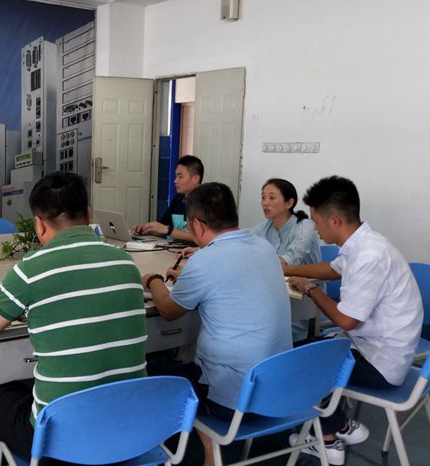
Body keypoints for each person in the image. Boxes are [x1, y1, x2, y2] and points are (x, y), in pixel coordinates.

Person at [0, 171, 147, 460]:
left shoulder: (31, 269)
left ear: (39, 225)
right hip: (128, 427)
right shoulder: (126, 262)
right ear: (88, 214)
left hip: (59, 437)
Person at [142, 182, 292, 466]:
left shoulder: (206, 260)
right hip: (280, 390)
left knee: (149, 373)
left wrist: (153, 281)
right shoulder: (264, 248)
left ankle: (202, 452)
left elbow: (169, 310)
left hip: (232, 399)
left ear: (198, 226)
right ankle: (213, 450)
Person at [285, 175, 423, 466]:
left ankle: (329, 441)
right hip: (374, 347)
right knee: (306, 349)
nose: (314, 228)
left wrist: (310, 289)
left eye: (316, 222)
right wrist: (289, 270)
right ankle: (342, 426)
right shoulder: (362, 243)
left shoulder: (369, 256)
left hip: (382, 364)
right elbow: (333, 269)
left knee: (298, 362)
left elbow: (347, 321)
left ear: (334, 221)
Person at [251, 178, 322, 341]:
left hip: (304, 299)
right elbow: (240, 247)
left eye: (271, 197)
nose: (265, 203)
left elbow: (286, 263)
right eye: (263, 197)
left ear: (289, 203)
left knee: (260, 331)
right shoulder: (264, 228)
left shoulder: (305, 226)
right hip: (274, 294)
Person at [132, 155, 203, 243]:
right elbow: (161, 228)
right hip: (172, 248)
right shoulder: (178, 199)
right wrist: (145, 230)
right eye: (176, 176)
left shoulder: (207, 203)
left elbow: (204, 237)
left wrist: (168, 230)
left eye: (180, 177)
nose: (175, 181)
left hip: (193, 251)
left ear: (195, 179)